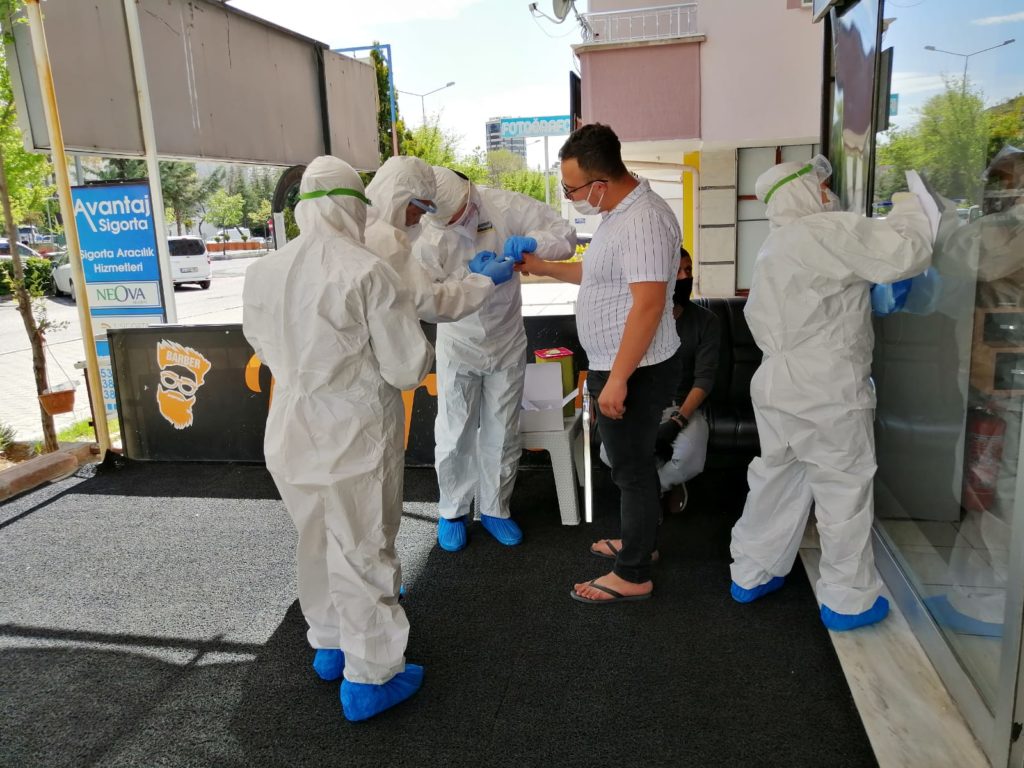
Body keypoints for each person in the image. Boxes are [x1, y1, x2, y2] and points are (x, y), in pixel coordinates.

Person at [242, 156, 433, 721]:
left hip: (290, 426)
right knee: (363, 545)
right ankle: (372, 676)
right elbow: (405, 367)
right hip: (354, 430)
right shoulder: (368, 271)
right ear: (354, 206)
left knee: (316, 538)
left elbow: (262, 343)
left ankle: (328, 642)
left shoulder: (263, 270)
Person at [728, 155, 932, 631]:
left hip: (777, 383)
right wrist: (910, 205)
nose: (828, 193)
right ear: (804, 192)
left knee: (777, 476)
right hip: (826, 384)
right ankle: (848, 601)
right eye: (821, 186)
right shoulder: (823, 230)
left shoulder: (774, 245)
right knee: (843, 488)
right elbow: (907, 252)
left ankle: (752, 572)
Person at [516, 123, 682, 605]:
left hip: (635, 368)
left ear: (601, 183)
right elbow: (597, 273)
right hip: (621, 364)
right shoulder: (617, 215)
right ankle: (638, 543)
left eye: (572, 189)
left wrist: (619, 380)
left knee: (630, 470)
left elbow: (648, 305)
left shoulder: (644, 220)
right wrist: (542, 268)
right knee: (632, 467)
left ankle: (633, 573)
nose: (571, 198)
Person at [412, 167, 575, 552]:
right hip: (459, 341)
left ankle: (495, 508)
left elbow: (565, 236)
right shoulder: (427, 234)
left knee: (503, 430)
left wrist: (534, 242)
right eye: (451, 221)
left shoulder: (503, 204)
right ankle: (452, 511)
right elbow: (427, 301)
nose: (462, 225)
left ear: (471, 195)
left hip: (506, 338)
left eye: (463, 214)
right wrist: (471, 277)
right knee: (454, 431)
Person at [597, 248, 721, 520]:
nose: (685, 277)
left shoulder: (705, 322)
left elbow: (704, 379)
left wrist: (677, 422)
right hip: (640, 406)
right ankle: (658, 491)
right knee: (610, 452)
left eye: (688, 270)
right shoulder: (633, 319)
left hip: (684, 408)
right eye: (677, 271)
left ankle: (648, 494)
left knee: (688, 457)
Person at [364, 156, 496, 323]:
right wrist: (482, 281)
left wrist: (468, 272)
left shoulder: (366, 227)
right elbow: (429, 302)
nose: (417, 222)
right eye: (418, 213)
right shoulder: (384, 241)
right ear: (400, 201)